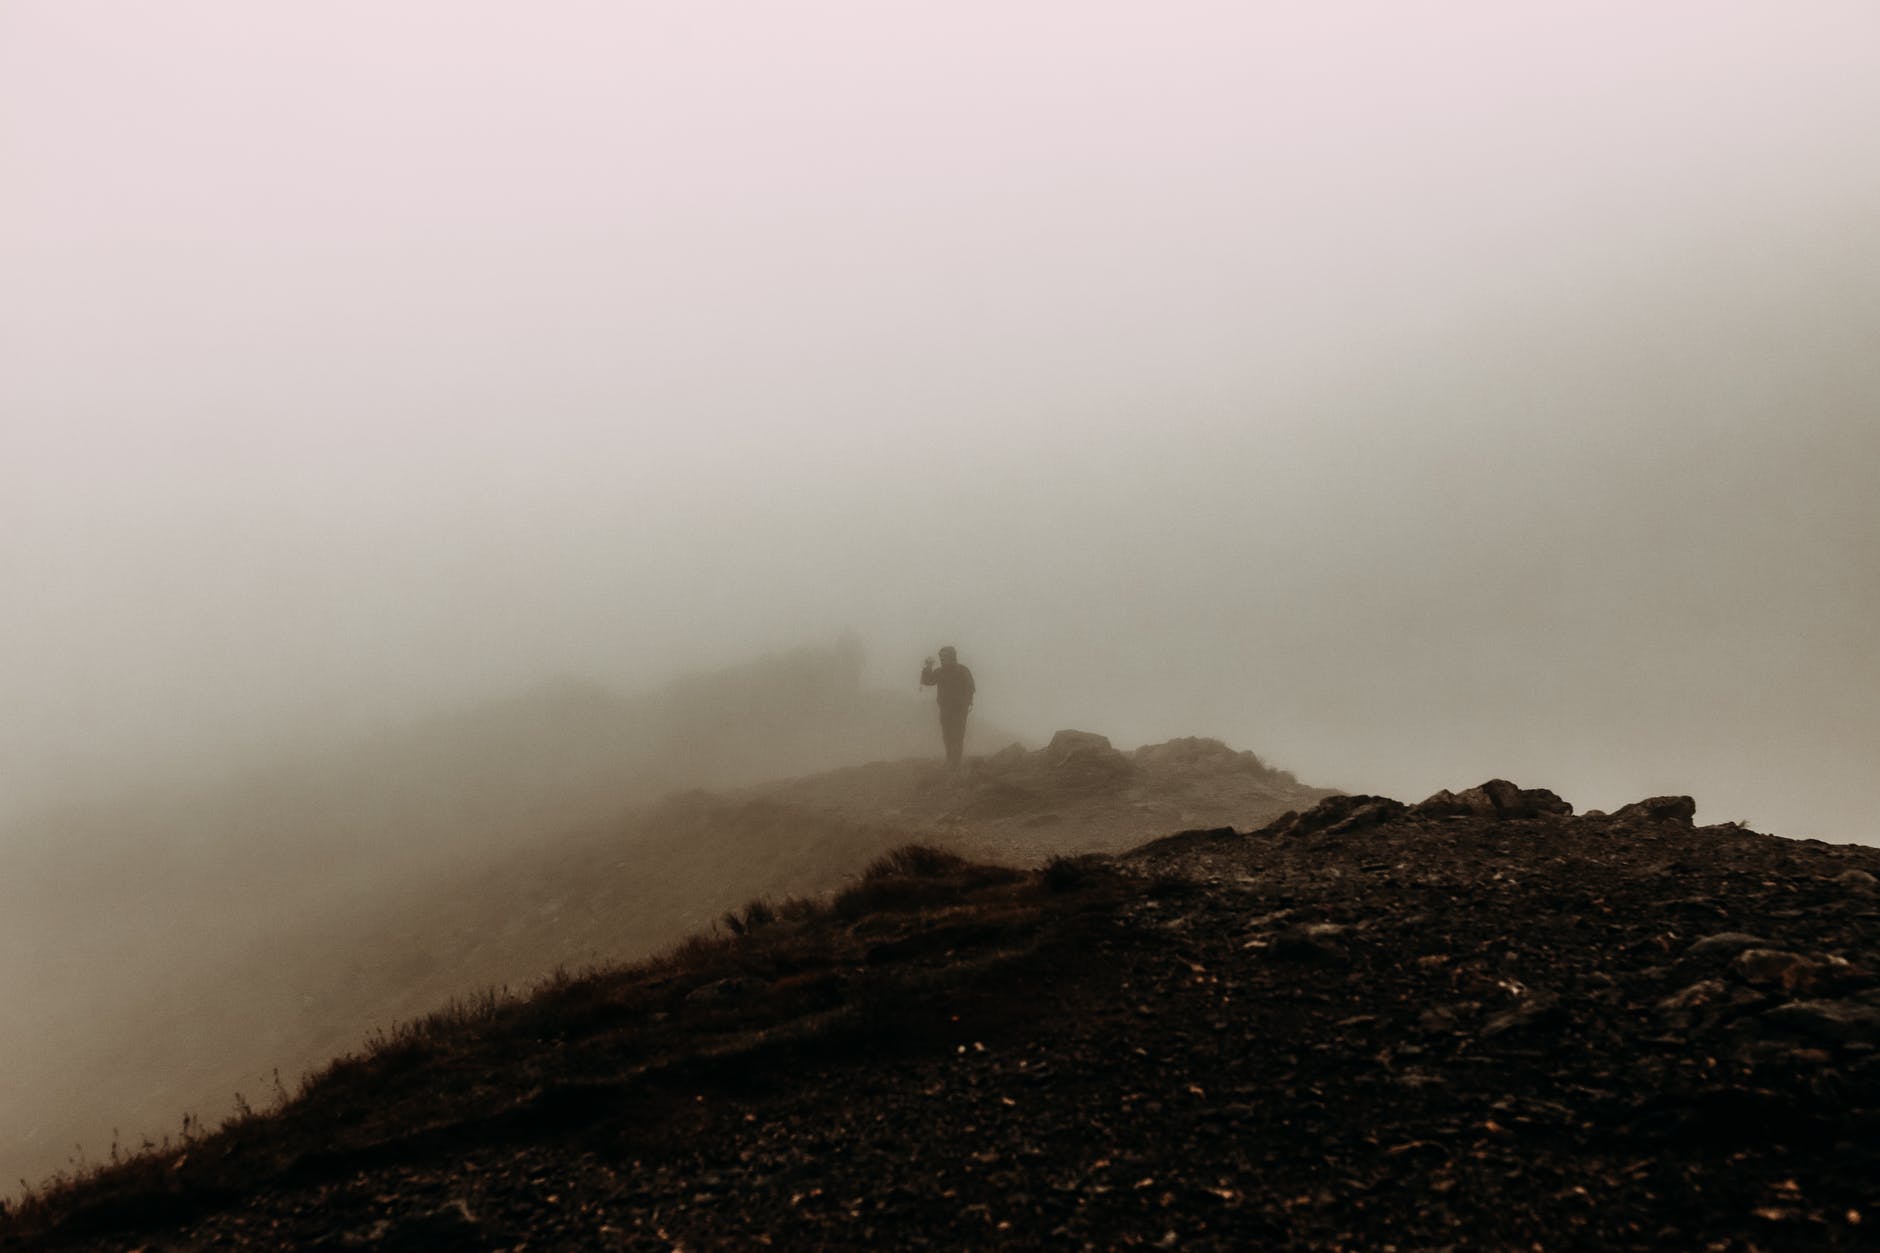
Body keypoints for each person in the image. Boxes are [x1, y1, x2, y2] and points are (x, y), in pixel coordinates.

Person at [920, 645, 975, 768]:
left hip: (959, 710)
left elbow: (971, 687)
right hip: (945, 709)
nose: (942, 660)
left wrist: (968, 702)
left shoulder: (962, 670)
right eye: (941, 657)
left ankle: (955, 763)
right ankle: (951, 761)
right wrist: (928, 666)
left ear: (952, 657)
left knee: (957, 735)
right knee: (947, 735)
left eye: (944, 657)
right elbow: (928, 681)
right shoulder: (941, 672)